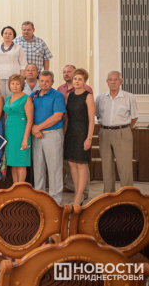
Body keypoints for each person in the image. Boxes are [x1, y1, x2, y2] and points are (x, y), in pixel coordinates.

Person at [95, 71, 138, 193]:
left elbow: (134, 117)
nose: (113, 82)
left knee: (125, 166)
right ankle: (108, 194)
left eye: (116, 79)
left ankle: (127, 194)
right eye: (110, 79)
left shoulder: (129, 97)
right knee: (106, 166)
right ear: (107, 81)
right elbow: (98, 116)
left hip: (122, 132)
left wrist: (124, 130)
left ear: (121, 81)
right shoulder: (100, 98)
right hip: (104, 132)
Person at [30, 70, 66, 204]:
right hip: (37, 136)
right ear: (38, 81)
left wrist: (38, 127)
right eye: (42, 81)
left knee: (54, 168)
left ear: (52, 82)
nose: (44, 83)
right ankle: (40, 197)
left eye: (47, 81)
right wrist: (34, 128)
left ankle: (55, 200)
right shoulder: (33, 95)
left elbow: (58, 116)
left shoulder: (57, 95)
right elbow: (28, 114)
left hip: (52, 135)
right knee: (38, 167)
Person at [58, 64, 94, 198]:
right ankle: (77, 193)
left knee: (81, 164)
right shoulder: (70, 96)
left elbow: (91, 120)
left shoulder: (88, 96)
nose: (77, 81)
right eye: (75, 79)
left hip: (82, 132)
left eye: (80, 79)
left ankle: (79, 196)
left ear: (84, 81)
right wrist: (65, 134)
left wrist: (89, 138)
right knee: (72, 163)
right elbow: (67, 117)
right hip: (71, 132)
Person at [4, 74, 33, 183]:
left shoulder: (26, 98)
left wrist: (25, 139)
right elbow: (6, 117)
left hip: (21, 132)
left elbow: (30, 120)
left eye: (17, 84)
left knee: (21, 163)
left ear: (21, 85)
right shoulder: (8, 98)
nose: (15, 86)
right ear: (9, 85)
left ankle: (21, 188)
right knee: (13, 163)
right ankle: (15, 188)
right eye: (12, 83)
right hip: (9, 133)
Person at [0, 26, 27, 98]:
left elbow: (23, 64)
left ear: (13, 36)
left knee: (12, 97)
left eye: (10, 34)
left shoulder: (18, 48)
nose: (7, 35)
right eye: (5, 33)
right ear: (2, 35)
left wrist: (21, 79)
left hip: (13, 78)